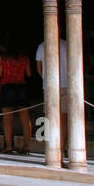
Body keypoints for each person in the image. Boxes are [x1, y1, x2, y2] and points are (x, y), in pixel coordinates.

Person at [36, 29, 70, 158]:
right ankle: (61, 146)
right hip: (65, 84)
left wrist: (46, 79)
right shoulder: (66, 45)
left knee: (51, 116)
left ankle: (53, 147)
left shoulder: (41, 46)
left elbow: (39, 67)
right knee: (64, 117)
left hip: (49, 85)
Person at [0, 42, 33, 155]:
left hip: (7, 87)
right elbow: (29, 74)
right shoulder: (24, 58)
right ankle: (26, 146)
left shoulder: (3, 58)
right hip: (21, 86)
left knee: (7, 118)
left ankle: (9, 146)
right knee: (25, 118)